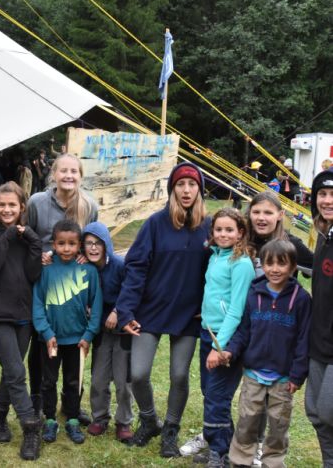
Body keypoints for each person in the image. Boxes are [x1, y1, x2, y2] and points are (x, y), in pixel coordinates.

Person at [116, 161, 211, 458]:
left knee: (179, 375)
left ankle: (170, 429)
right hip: (151, 310)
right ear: (172, 189)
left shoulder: (209, 227)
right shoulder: (155, 224)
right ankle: (149, 421)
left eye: (192, 184)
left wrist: (209, 306)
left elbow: (220, 270)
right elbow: (136, 267)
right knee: (139, 373)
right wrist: (126, 311)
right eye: (180, 184)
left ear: (199, 190)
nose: (186, 190)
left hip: (189, 314)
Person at [219, 240, 311, 467]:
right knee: (247, 422)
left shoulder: (301, 299)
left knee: (279, 427)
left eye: (282, 264)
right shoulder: (254, 294)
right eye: (269, 263)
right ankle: (240, 461)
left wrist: (297, 374)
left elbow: (304, 340)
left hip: (283, 378)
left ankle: (273, 463)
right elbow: (243, 331)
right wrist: (230, 351)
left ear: (293, 267)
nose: (275, 269)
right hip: (253, 374)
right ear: (262, 265)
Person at [27, 153, 98, 422]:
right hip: (44, 277)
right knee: (40, 346)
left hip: (73, 280)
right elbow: (26, 238)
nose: (68, 176)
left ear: (80, 176)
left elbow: (93, 239)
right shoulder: (36, 202)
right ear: (53, 174)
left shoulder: (89, 206)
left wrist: (86, 255)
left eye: (74, 171)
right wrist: (39, 256)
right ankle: (39, 400)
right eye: (63, 170)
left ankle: (72, 404)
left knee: (72, 353)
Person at [0, 181, 43, 461]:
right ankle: (30, 426)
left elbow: (33, 274)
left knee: (11, 370)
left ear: (21, 207)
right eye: (2, 205)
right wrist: (7, 236)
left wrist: (34, 242)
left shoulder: (28, 236)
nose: (7, 209)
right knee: (16, 371)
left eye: (12, 205)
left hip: (24, 314)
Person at [32, 219, 103, 445]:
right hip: (51, 340)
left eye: (72, 244)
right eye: (61, 244)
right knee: (48, 381)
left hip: (77, 340)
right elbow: (37, 304)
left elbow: (97, 305)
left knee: (74, 382)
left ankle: (72, 418)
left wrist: (88, 335)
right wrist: (46, 333)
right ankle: (50, 419)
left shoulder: (89, 271)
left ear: (79, 245)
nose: (66, 249)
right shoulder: (45, 269)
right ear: (53, 244)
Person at [198, 208, 255, 467]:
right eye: (218, 229)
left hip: (225, 340)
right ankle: (223, 444)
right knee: (209, 391)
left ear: (240, 232)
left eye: (229, 230)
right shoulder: (215, 256)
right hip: (207, 331)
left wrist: (218, 346)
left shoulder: (241, 264)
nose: (223, 234)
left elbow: (236, 310)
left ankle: (219, 452)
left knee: (217, 396)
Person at [82, 222, 133, 443]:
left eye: (98, 243)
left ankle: (124, 421)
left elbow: (131, 290)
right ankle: (100, 417)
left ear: (106, 245)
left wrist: (117, 311)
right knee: (98, 379)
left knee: (123, 381)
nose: (93, 248)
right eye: (88, 243)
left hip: (122, 331)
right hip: (101, 331)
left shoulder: (120, 265)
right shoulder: (85, 267)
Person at [305, 170, 333, 466]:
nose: (327, 201)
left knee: (328, 411)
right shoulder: (324, 236)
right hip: (318, 340)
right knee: (315, 412)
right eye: (322, 195)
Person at [247, 191, 313, 277]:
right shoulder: (240, 241)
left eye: (268, 213)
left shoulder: (292, 244)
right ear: (250, 213)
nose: (261, 218)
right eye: (256, 212)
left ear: (280, 215)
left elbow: (319, 270)